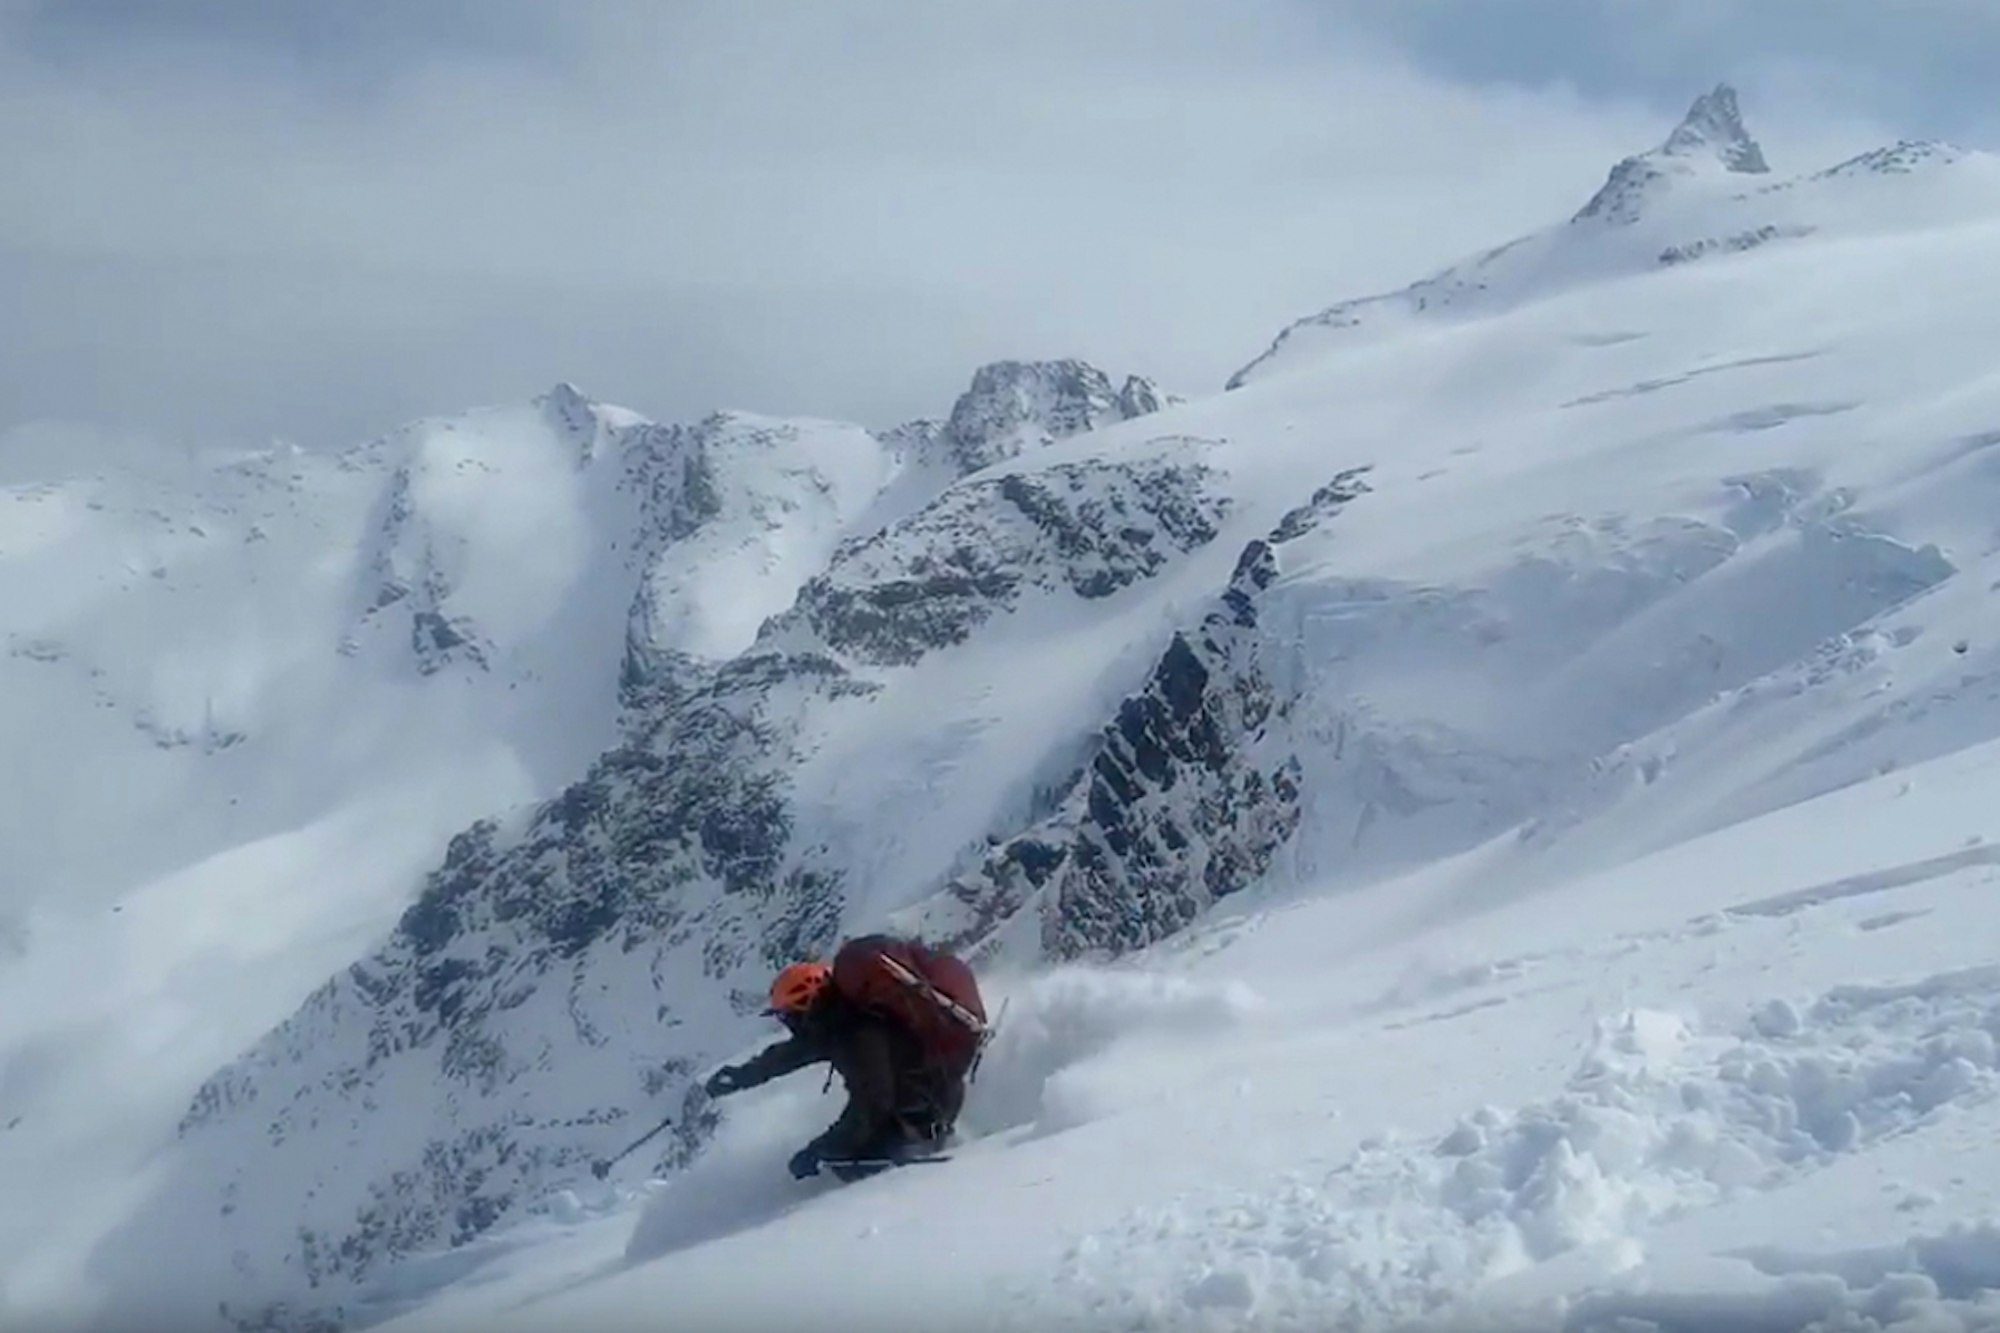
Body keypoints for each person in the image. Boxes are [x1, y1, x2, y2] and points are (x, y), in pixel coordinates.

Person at [702, 938, 978, 1182]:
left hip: (926, 1109)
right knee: (849, 1149)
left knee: (852, 1159)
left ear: (805, 1003)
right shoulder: (838, 1020)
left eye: (788, 1015)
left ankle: (919, 1191)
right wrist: (741, 1076)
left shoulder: (858, 1035)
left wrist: (820, 1149)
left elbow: (873, 1105)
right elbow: (794, 1053)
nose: (788, 1023)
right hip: (935, 1093)